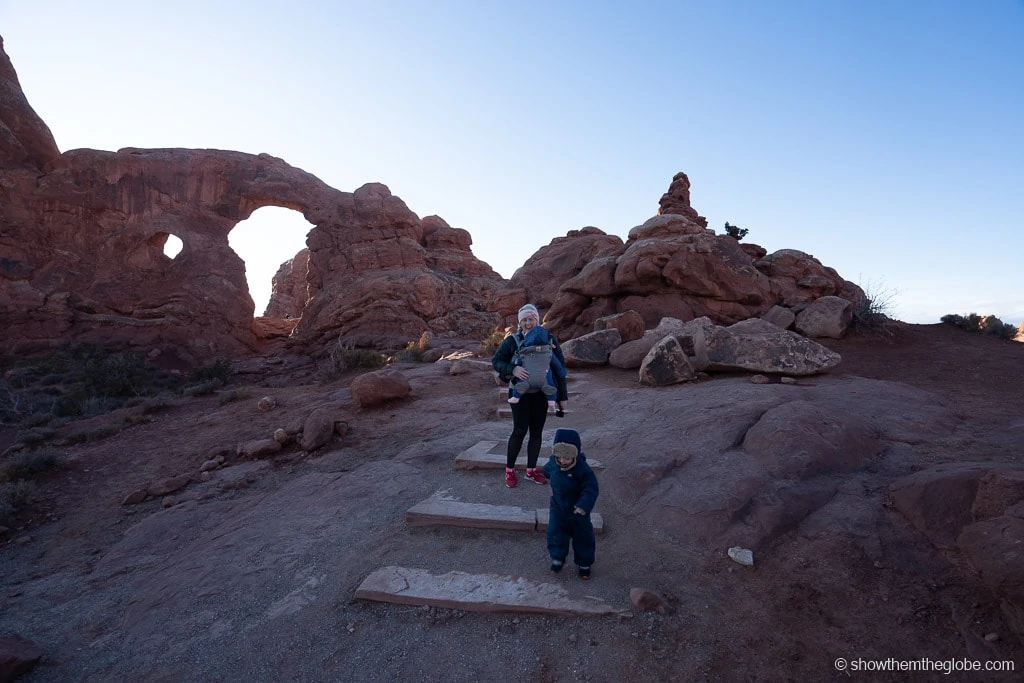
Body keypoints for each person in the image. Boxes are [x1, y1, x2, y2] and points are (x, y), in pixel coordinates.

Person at [491, 303, 569, 488]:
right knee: (519, 431)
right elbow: (496, 361)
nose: (528, 323)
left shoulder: (549, 339)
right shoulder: (513, 340)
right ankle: (509, 470)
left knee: (536, 433)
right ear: (520, 322)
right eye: (524, 320)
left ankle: (531, 471)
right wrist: (513, 369)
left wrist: (562, 397)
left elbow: (560, 370)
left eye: (531, 319)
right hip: (520, 394)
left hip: (542, 394)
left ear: (537, 320)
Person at [542, 428, 599, 579]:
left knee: (583, 536)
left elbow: (591, 488)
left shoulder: (583, 470)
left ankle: (584, 563)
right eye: (559, 456)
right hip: (558, 507)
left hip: (577, 510)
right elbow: (546, 471)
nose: (562, 461)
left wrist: (583, 505)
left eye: (567, 458)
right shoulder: (553, 463)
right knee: (555, 532)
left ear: (575, 455)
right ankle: (557, 557)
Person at [507, 323, 566, 411]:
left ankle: (516, 397)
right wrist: (562, 373)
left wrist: (513, 369)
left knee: (521, 385)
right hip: (544, 378)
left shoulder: (525, 351)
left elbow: (518, 361)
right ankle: (551, 402)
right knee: (549, 386)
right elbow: (557, 364)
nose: (528, 323)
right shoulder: (549, 351)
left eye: (531, 319)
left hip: (527, 377)